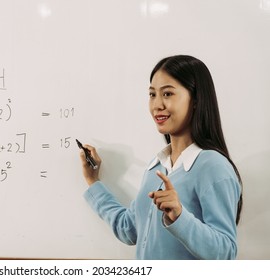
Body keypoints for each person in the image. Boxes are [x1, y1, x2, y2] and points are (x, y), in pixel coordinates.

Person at [79, 55, 243, 260]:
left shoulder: (213, 167)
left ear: (196, 100)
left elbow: (226, 253)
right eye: (152, 94)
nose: (156, 105)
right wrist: (93, 182)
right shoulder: (156, 166)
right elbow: (128, 229)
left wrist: (179, 216)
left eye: (167, 93)